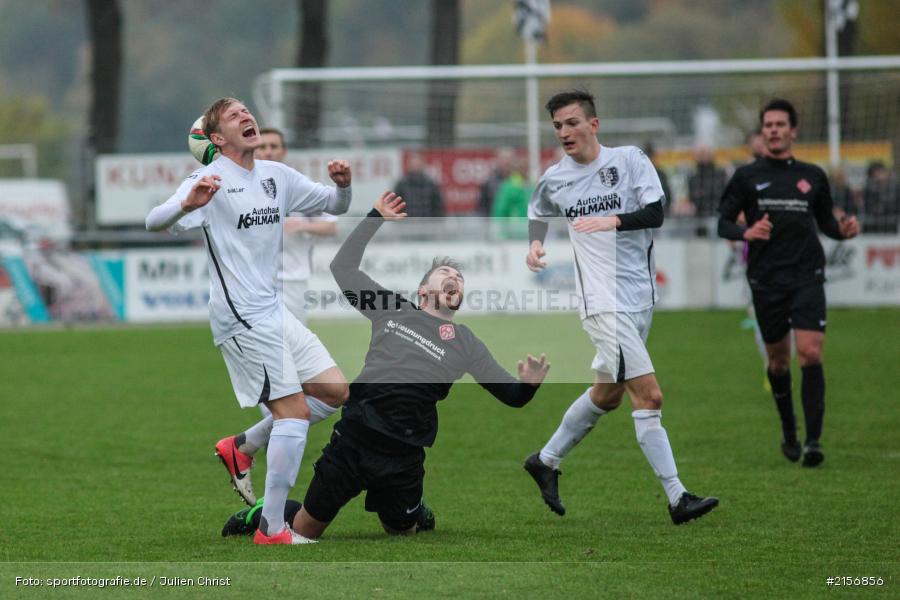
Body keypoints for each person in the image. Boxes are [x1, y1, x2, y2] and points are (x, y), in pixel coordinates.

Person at [221, 191, 550, 540]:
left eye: (459, 277)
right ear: (423, 290)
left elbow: (511, 396)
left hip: (404, 454)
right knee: (305, 531)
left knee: (402, 531)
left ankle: (410, 507)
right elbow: (342, 267)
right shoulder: (392, 308)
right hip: (354, 439)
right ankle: (261, 514)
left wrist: (528, 386)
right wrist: (374, 217)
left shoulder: (465, 341)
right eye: (444, 272)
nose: (454, 277)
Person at [145, 97, 354, 545]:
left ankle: (242, 447)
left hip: (274, 310)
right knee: (293, 412)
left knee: (336, 391)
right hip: (241, 317)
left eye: (247, 111)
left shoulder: (277, 176)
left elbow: (335, 206)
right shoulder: (209, 179)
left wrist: (343, 186)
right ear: (216, 138)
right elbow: (153, 221)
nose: (246, 116)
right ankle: (273, 528)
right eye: (234, 115)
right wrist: (186, 204)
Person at [523, 89, 718, 525]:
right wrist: (536, 243)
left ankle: (546, 460)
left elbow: (656, 213)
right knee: (649, 395)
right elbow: (538, 209)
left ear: (593, 124)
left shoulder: (629, 160)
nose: (564, 132)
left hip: (639, 298)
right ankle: (677, 498)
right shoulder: (556, 177)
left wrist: (613, 220)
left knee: (607, 395)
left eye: (572, 122)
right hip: (602, 304)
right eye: (557, 126)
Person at [718, 98, 859, 467]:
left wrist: (843, 231)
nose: (774, 130)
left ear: (793, 131)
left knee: (811, 353)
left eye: (780, 124)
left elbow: (827, 222)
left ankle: (813, 442)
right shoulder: (747, 177)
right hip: (766, 281)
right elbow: (722, 224)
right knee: (779, 363)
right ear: (763, 132)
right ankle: (789, 429)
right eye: (768, 125)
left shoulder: (813, 176)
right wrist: (747, 231)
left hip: (807, 276)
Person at [687, 146, 728, 234]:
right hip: (699, 222)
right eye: (700, 154)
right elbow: (691, 199)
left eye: (705, 153)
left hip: (718, 218)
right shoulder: (692, 178)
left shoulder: (720, 174)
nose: (703, 156)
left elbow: (724, 196)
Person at [393, 153, 444, 218]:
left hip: (427, 224)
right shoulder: (401, 184)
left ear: (423, 165)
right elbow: (395, 206)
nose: (416, 167)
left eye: (418, 164)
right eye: (414, 164)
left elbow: (438, 207)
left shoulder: (431, 184)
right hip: (407, 224)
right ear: (410, 166)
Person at [861, 161, 900, 233]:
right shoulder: (868, 188)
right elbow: (867, 206)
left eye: (881, 171)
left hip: (891, 223)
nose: (880, 175)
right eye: (877, 172)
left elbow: (896, 204)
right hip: (872, 224)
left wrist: (883, 207)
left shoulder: (895, 186)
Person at [478, 147, 515, 216]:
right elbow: (482, 208)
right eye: (504, 159)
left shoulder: (519, 181)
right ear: (498, 160)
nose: (506, 163)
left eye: (509, 160)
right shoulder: (488, 183)